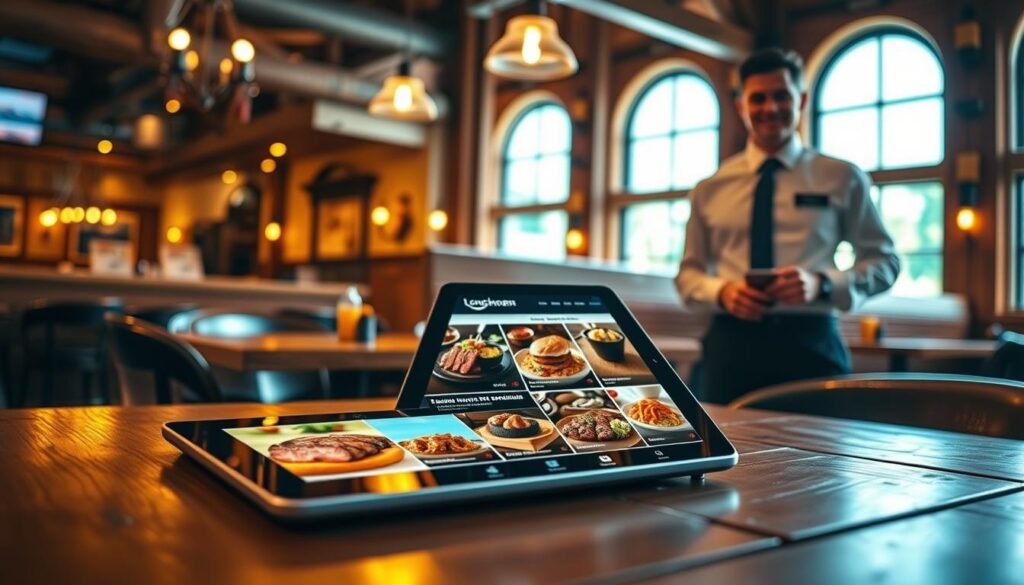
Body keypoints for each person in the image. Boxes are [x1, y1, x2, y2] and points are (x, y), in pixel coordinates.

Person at [677, 47, 900, 405]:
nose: (770, 108)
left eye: (781, 95)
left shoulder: (842, 177)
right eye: (758, 98)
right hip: (730, 345)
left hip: (812, 343)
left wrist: (822, 283)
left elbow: (886, 263)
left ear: (802, 99)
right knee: (731, 457)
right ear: (740, 105)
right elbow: (688, 276)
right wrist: (722, 292)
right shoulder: (710, 188)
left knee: (825, 459)